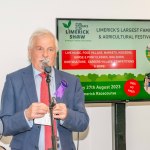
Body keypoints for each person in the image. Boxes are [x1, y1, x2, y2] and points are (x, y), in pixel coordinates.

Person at [0, 29, 89, 150]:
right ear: (30, 52)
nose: (45, 55)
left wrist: (67, 115)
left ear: (55, 54)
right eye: (40, 48)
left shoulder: (71, 81)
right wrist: (26, 115)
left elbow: (83, 123)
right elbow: (4, 126)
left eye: (50, 49)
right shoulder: (14, 80)